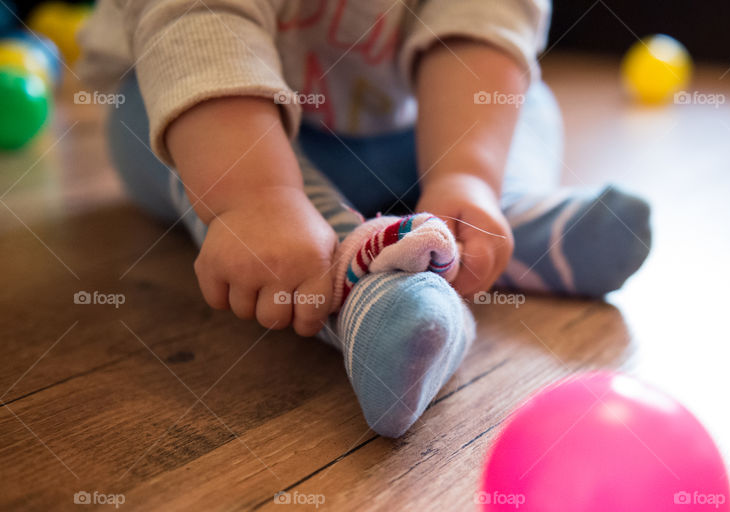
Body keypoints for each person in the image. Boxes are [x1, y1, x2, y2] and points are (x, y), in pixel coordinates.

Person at [78, 0, 652, 437]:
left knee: (517, 93)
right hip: (239, 136)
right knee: (173, 120)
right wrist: (257, 200)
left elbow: (487, 20)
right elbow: (198, 29)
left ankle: (494, 214)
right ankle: (359, 287)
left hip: (425, 128)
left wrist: (465, 176)